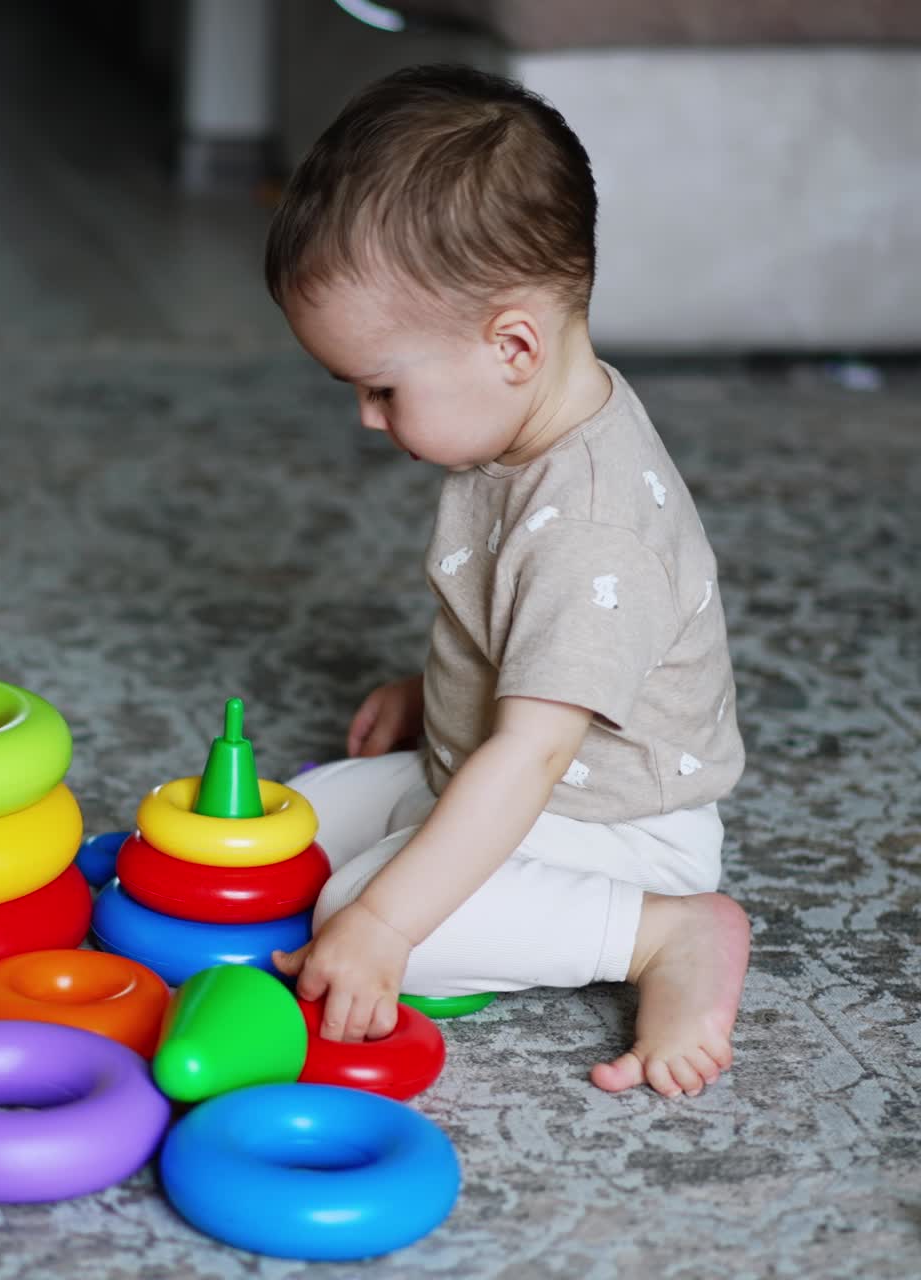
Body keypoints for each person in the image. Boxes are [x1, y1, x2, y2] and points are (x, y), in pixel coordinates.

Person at [265, 65, 750, 1099]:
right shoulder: (516, 424)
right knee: (293, 818)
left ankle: (668, 936)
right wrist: (434, 686)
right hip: (499, 761)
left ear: (513, 344)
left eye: (380, 388)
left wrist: (387, 924)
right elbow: (515, 631)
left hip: (619, 829)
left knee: (357, 906)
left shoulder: (591, 530)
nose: (365, 417)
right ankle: (422, 863)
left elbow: (532, 755)